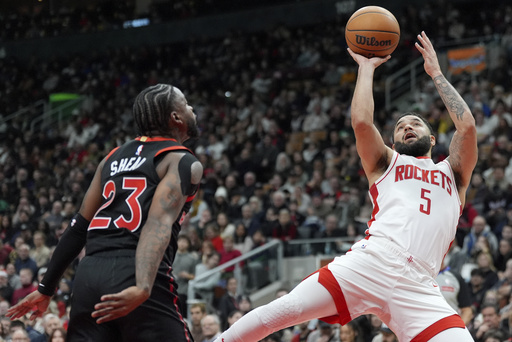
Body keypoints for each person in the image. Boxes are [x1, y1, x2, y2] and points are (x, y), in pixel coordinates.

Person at [214, 31, 477, 342]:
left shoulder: (454, 173)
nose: (407, 126)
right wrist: (366, 68)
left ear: (432, 139)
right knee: (284, 311)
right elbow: (363, 123)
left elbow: (467, 126)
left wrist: (436, 74)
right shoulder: (385, 162)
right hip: (373, 259)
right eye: (400, 125)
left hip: (420, 283)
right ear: (391, 141)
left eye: (415, 123)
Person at [6, 84, 203, 341]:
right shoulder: (181, 160)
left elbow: (78, 226)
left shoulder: (111, 158)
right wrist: (142, 286)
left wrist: (46, 287)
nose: (192, 109)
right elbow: (157, 223)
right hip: (136, 269)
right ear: (176, 118)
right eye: (186, 104)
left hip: (89, 277)